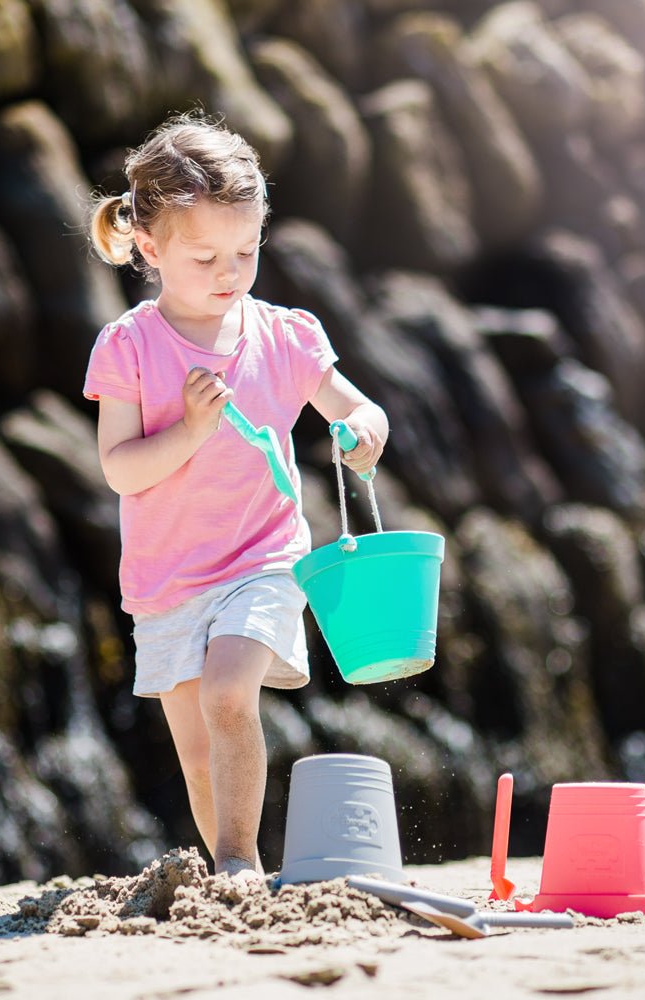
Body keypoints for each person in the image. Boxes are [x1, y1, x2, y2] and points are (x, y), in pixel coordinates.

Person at [82, 112, 388, 881]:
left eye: (247, 251)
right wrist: (187, 431)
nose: (230, 272)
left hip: (264, 558)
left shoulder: (284, 336)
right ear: (149, 249)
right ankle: (227, 869)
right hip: (167, 578)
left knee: (227, 696)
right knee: (193, 745)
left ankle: (240, 861)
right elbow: (120, 468)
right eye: (206, 256)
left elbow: (357, 405)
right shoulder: (129, 346)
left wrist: (362, 429)